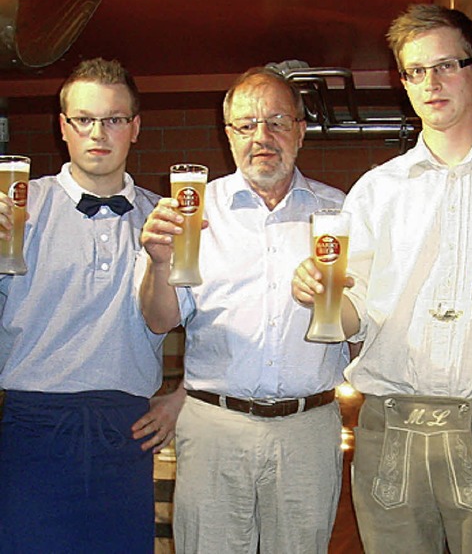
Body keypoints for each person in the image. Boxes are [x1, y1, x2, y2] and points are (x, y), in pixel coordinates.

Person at [292, 4, 472, 554]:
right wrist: (320, 291)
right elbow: (351, 316)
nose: (431, 84)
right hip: (390, 430)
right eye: (415, 71)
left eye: (446, 65)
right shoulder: (376, 190)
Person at [137, 67, 347, 554]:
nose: (262, 137)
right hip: (215, 428)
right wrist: (159, 261)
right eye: (246, 125)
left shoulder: (338, 213)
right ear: (227, 134)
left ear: (300, 129)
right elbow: (158, 320)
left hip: (309, 430)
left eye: (277, 121)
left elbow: (362, 326)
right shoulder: (192, 212)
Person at [0, 58, 163, 553]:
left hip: (127, 426)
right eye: (84, 119)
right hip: (34, 422)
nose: (99, 133)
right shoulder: (17, 209)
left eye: (113, 119)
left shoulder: (166, 218)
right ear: (63, 127)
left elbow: (212, 323)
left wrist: (184, 394)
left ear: (134, 128)